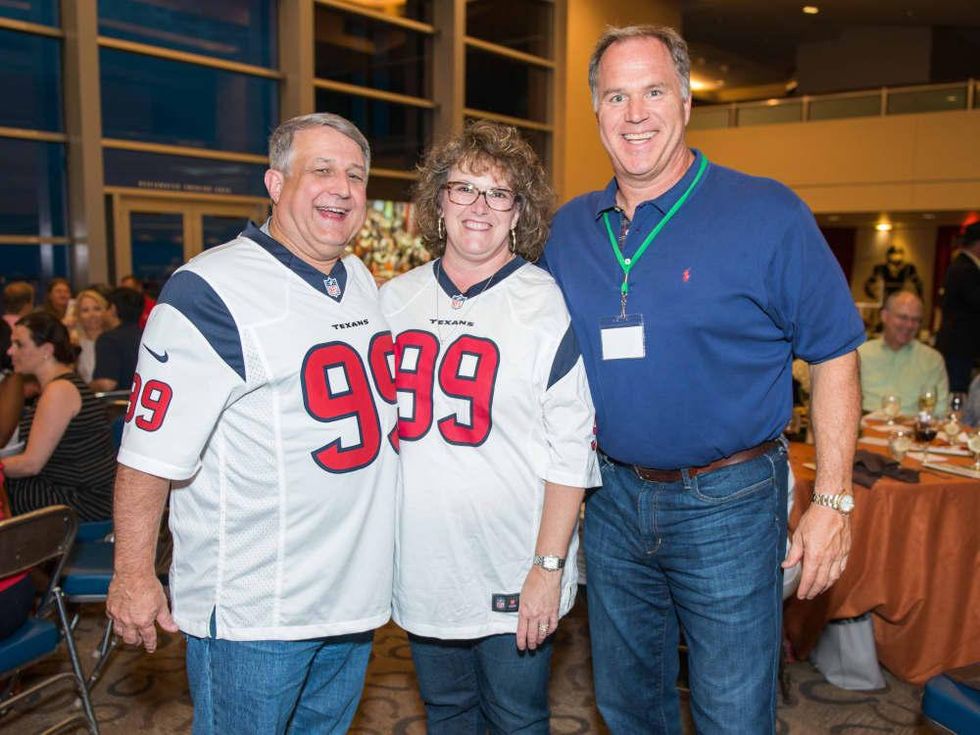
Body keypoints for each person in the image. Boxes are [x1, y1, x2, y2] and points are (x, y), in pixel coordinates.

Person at [540, 25, 864, 734]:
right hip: (612, 498)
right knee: (627, 704)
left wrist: (833, 500)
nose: (635, 113)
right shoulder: (569, 232)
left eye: (653, 92)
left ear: (686, 103)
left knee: (733, 713)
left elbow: (835, 351)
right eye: (616, 96)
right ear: (595, 112)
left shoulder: (767, 213)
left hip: (730, 501)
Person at [105, 112, 398, 734]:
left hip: (351, 599)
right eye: (321, 169)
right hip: (257, 611)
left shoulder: (358, 278)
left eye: (355, 175)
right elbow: (148, 454)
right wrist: (133, 573)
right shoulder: (208, 290)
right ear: (275, 182)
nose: (342, 188)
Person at [380, 121, 600, 734]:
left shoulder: (544, 302)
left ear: (517, 213)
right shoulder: (392, 301)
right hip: (424, 562)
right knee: (446, 714)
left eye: (498, 193)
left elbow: (570, 452)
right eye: (464, 188)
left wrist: (548, 568)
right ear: (438, 202)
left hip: (513, 562)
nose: (479, 206)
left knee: (516, 718)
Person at [2, 312, 114, 521]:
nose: (10, 351)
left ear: (46, 350)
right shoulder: (62, 385)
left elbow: (31, 464)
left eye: (19, 344)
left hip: (82, 502)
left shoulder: (59, 391)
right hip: (79, 495)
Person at [858, 291, 949, 416]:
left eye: (916, 320)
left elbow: (940, 412)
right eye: (903, 317)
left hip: (911, 426)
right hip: (864, 424)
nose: (909, 325)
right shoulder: (861, 354)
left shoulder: (932, 360)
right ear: (884, 316)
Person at [935, 222, 980, 393]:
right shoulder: (965, 269)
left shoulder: (961, 265)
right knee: (957, 393)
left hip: (959, 345)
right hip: (960, 346)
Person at [90, 286, 143, 393]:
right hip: (145, 398)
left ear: (113, 309)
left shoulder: (109, 339)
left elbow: (106, 384)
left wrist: (84, 387)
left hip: (119, 401)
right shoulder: (146, 335)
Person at [73, 289, 111, 384]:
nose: (92, 315)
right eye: (85, 310)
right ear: (78, 315)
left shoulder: (115, 340)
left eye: (97, 309)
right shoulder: (75, 344)